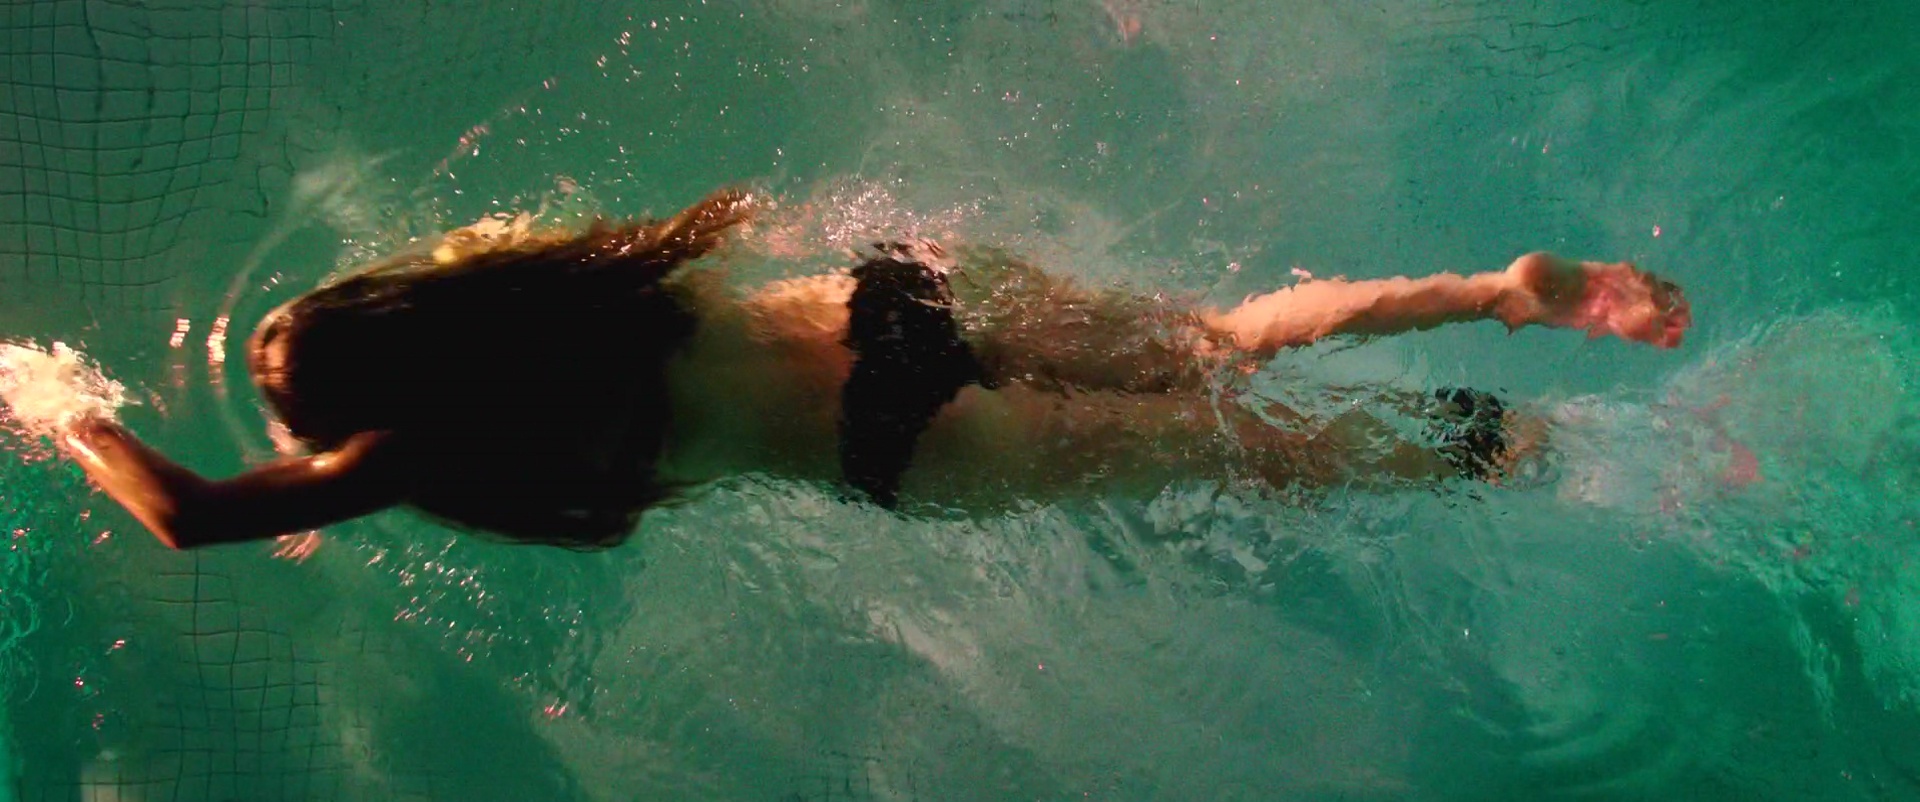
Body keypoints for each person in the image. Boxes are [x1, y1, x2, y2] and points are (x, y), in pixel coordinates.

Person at [50, 188, 1690, 550]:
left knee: (1249, 450)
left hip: (896, 437)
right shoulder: (523, 278)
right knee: (1213, 339)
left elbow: (191, 513)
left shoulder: (424, 448)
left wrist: (51, 408)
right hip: (884, 298)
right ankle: (1493, 291)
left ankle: (1506, 446)